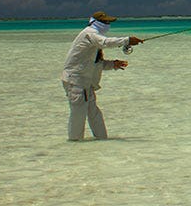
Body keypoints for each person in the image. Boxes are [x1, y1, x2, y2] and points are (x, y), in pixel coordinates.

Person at [60, 11, 143, 141]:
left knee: (94, 114)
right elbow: (106, 42)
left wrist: (113, 64)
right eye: (105, 22)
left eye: (109, 22)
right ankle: (74, 145)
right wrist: (127, 40)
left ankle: (102, 141)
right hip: (75, 81)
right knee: (78, 115)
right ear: (95, 22)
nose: (108, 24)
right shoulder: (89, 34)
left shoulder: (94, 41)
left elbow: (96, 64)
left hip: (86, 83)